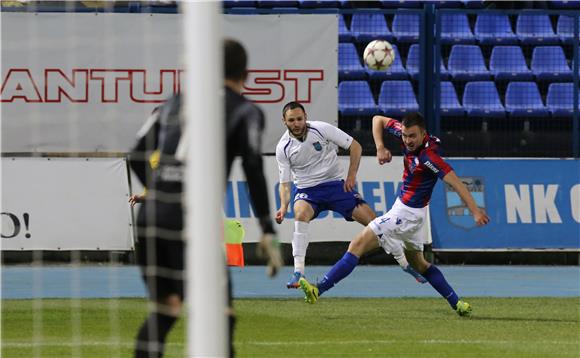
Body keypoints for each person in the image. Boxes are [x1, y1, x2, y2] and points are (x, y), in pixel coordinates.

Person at [130, 38, 282, 358]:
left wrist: (159, 193)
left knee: (166, 309)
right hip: (191, 221)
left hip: (152, 218)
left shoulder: (175, 101)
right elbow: (254, 169)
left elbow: (135, 155)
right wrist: (267, 228)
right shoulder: (245, 111)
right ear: (246, 74)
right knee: (219, 318)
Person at [298, 112, 490, 317]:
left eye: (413, 136)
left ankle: (318, 289)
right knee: (420, 264)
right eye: (405, 135)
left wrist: (475, 210)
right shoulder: (406, 134)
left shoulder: (428, 158)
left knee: (357, 245)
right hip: (412, 212)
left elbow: (456, 182)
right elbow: (377, 120)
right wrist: (380, 147)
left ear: (423, 133)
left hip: (407, 215)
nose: (407, 140)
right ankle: (457, 303)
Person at [275, 102, 426, 289]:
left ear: (305, 116)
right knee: (300, 214)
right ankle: (298, 272)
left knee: (375, 224)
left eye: (299, 119)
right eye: (291, 120)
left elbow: (355, 146)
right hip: (308, 190)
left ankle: (405, 264)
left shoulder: (321, 129)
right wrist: (283, 206)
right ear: (284, 121)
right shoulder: (283, 147)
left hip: (336, 186)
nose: (297, 123)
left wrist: (351, 176)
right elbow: (285, 184)